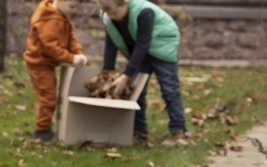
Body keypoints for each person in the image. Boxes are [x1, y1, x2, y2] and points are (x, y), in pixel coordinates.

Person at [96, 0, 187, 145]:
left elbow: (143, 44)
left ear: (125, 3)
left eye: (114, 13)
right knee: (136, 92)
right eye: (108, 13)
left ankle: (178, 130)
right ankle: (139, 132)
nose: (112, 17)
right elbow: (110, 44)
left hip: (162, 46)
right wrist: (107, 73)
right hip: (139, 52)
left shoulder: (144, 12)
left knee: (169, 89)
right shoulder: (108, 15)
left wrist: (126, 75)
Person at [24, 0, 89, 142]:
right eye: (72, 6)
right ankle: (42, 130)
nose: (73, 10)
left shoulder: (63, 14)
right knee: (48, 97)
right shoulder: (49, 19)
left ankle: (45, 126)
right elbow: (50, 47)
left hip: (48, 63)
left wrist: (78, 52)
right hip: (39, 63)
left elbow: (71, 37)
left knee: (51, 94)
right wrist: (71, 58)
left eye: (76, 8)